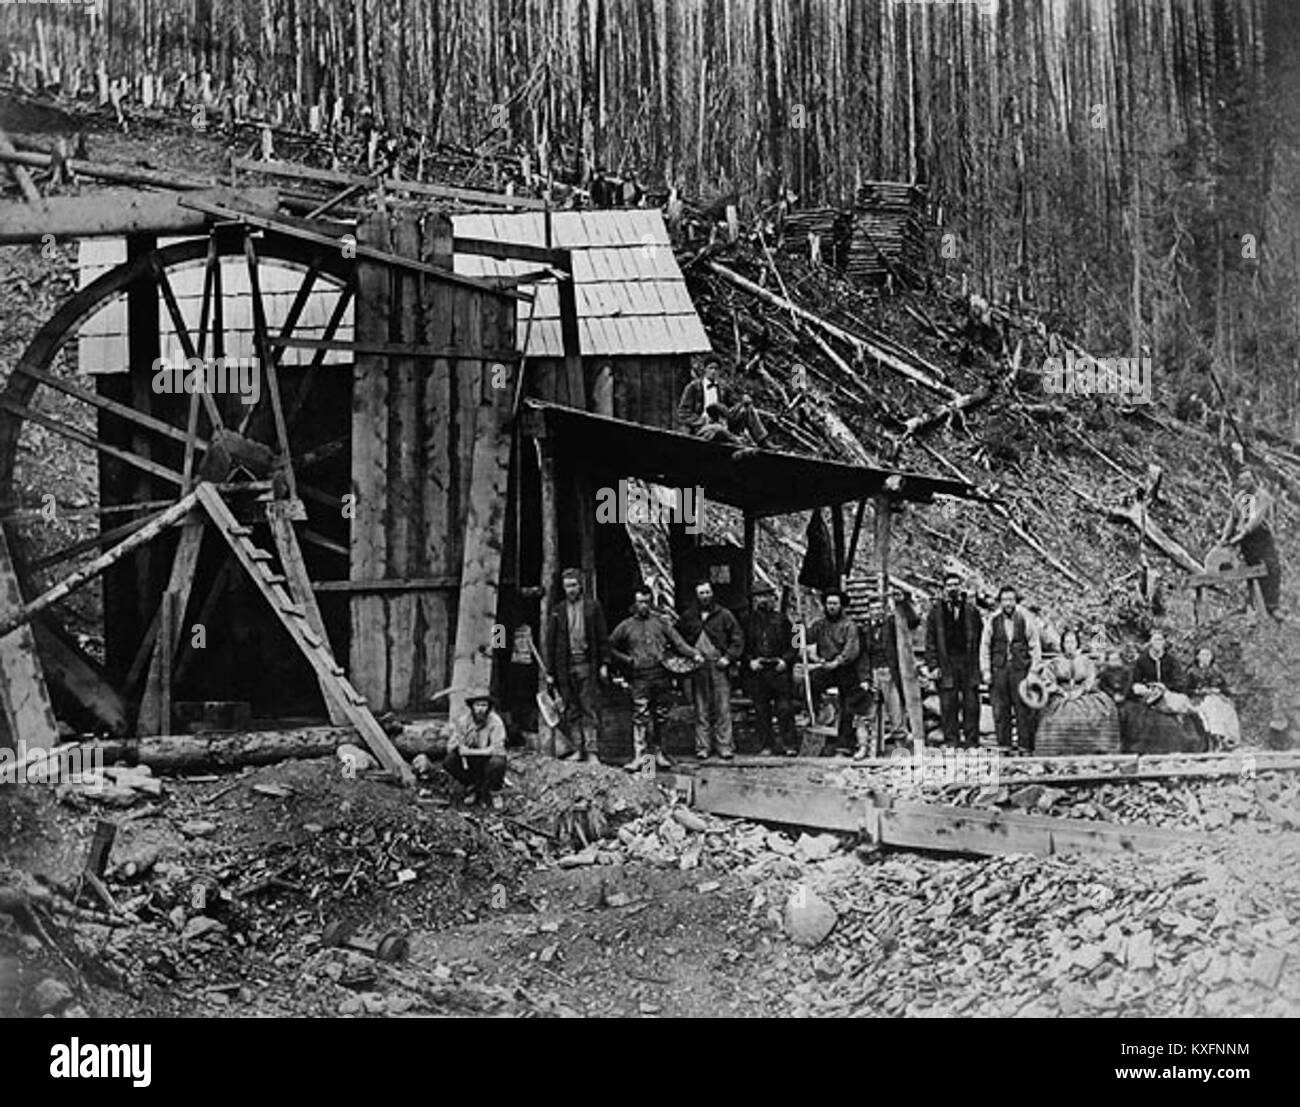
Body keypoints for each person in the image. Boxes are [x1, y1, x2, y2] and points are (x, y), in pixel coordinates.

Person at [608, 585, 703, 771]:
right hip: (639, 677)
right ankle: (641, 759)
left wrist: (694, 654)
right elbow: (609, 646)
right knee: (641, 717)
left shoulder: (660, 623)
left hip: (661, 674)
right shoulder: (626, 626)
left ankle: (659, 754)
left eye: (647, 602)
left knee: (660, 716)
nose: (644, 606)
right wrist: (627, 660)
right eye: (640, 602)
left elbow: (679, 643)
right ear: (634, 604)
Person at [543, 568, 609, 763]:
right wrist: (550, 672)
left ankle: (592, 751)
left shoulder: (592, 607)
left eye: (573, 585)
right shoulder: (557, 611)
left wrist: (604, 663)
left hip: (587, 664)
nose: (570, 589)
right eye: (567, 586)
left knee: (588, 708)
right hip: (565, 667)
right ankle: (577, 749)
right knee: (571, 710)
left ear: (580, 585)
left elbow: (602, 637)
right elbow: (551, 643)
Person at [676, 581, 745, 760]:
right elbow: (678, 640)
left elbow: (737, 639)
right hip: (698, 667)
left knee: (722, 707)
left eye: (707, 592)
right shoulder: (689, 616)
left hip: (719, 665)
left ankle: (724, 746)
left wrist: (728, 658)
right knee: (701, 708)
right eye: (701, 593)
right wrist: (688, 658)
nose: (705, 596)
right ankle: (703, 747)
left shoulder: (724, 615)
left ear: (712, 593)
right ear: (696, 595)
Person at [1035, 628, 1121, 756]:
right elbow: (1047, 680)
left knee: (1102, 711)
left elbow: (1091, 679)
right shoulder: (1055, 663)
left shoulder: (1086, 661)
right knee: (1058, 717)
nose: (1070, 646)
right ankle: (1060, 750)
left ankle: (1096, 748)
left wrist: (1080, 691)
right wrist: (1061, 691)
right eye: (1067, 642)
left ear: (1077, 644)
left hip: (1084, 694)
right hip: (1061, 695)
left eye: (1072, 642)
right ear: (1063, 645)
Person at [1120, 630, 1207, 753]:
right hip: (1148, 695)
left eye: (1161, 640)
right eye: (1155, 640)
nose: (1158, 643)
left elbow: (1179, 681)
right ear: (1150, 642)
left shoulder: (1171, 660)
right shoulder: (1142, 660)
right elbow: (1135, 680)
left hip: (1168, 693)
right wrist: (1144, 688)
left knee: (1181, 706)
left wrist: (1165, 686)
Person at [978, 585, 1042, 754]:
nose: (1008, 603)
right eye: (1005, 600)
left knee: (1023, 710)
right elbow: (984, 647)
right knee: (1000, 710)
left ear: (1016, 601)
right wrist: (985, 670)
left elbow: (1035, 647)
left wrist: (1033, 671)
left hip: (1020, 671)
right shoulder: (993, 621)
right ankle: (1004, 747)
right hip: (999, 671)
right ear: (1000, 602)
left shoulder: (1025, 619)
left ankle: (1024, 747)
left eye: (1011, 600)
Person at [858, 589, 921, 757]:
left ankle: (902, 749)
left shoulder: (893, 625)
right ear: (869, 612)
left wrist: (902, 602)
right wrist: (865, 678)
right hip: (873, 674)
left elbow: (913, 621)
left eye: (880, 609)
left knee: (896, 713)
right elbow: (863, 656)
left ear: (884, 610)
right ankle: (867, 749)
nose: (877, 612)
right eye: (873, 609)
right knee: (868, 714)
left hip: (890, 674)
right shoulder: (864, 631)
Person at [924, 572, 983, 748]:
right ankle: (951, 741)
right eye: (949, 585)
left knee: (971, 704)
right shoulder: (935, 613)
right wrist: (933, 665)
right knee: (948, 704)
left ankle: (972, 741)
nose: (953, 588)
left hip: (968, 662)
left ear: (960, 587)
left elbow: (980, 637)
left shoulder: (971, 611)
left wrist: (980, 664)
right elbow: (930, 641)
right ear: (944, 589)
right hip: (946, 663)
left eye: (956, 585)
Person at [1220, 467, 1282, 620]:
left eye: (1247, 479)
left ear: (1254, 479)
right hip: (1247, 541)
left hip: (1262, 537)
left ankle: (1272, 606)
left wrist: (1244, 531)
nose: (1244, 483)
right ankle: (1254, 604)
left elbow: (1257, 518)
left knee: (1272, 568)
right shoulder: (1239, 497)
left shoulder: (1263, 497)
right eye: (1241, 480)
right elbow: (1232, 518)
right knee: (1252, 570)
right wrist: (1225, 536)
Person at [744, 583, 798, 756]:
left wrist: (785, 660)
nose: (762, 600)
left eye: (765, 596)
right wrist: (750, 661)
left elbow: (794, 645)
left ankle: (789, 745)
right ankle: (766, 745)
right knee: (761, 710)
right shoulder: (748, 622)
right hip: (758, 671)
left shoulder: (782, 620)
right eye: (759, 596)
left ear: (771, 598)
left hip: (779, 670)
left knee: (785, 709)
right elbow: (740, 646)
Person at [805, 589, 862, 754]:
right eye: (829, 603)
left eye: (835, 604)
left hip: (845, 668)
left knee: (849, 703)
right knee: (810, 681)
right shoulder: (820, 625)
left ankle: (844, 743)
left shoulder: (849, 625)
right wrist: (798, 628)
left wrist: (837, 662)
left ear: (841, 605)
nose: (831, 607)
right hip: (827, 668)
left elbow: (852, 650)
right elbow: (802, 640)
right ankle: (815, 715)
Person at [676, 358, 769, 447]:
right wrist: (701, 421)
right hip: (703, 427)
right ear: (704, 369)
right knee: (718, 429)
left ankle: (763, 441)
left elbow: (734, 405)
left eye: (716, 369)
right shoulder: (693, 387)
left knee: (748, 408)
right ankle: (739, 441)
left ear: (719, 371)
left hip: (724, 422)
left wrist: (743, 401)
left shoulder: (723, 387)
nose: (713, 371)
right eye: (710, 368)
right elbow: (683, 413)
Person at [444, 689, 507, 807]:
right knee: (449, 761)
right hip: (471, 763)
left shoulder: (495, 722)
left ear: (489, 707)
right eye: (477, 705)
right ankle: (473, 787)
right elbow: (450, 745)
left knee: (497, 763)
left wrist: (471, 752)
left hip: (488, 759)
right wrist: (458, 745)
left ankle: (495, 792)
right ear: (472, 707)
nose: (480, 709)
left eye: (484, 705)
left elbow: (496, 749)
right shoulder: (463, 721)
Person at [1187, 645, 1240, 750]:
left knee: (1228, 709)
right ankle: (1217, 737)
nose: (1206, 657)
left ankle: (1230, 739)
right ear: (1197, 657)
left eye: (1208, 655)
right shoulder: (1192, 672)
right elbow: (1186, 689)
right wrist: (1201, 691)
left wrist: (1219, 690)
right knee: (1212, 708)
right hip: (1199, 700)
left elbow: (1225, 688)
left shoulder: (1216, 671)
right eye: (1203, 655)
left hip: (1216, 698)